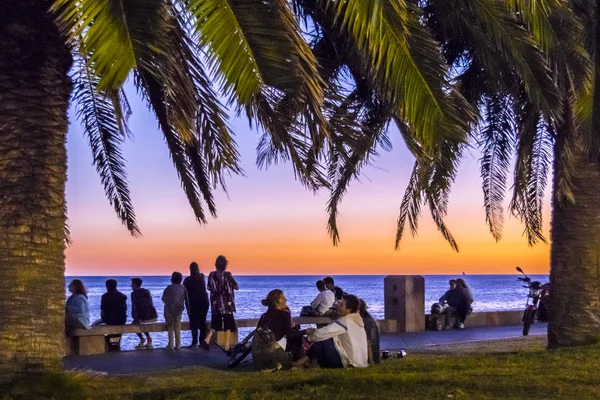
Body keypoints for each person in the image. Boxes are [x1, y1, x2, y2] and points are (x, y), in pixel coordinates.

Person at [304, 294, 368, 368]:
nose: (338, 306)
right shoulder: (357, 321)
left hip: (351, 364)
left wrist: (308, 337)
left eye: (341, 305)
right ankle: (307, 362)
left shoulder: (345, 320)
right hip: (361, 362)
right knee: (324, 337)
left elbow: (324, 332)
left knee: (323, 339)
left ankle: (302, 362)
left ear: (348, 310)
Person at [253, 289, 306, 371]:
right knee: (297, 340)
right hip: (275, 350)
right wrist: (305, 332)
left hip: (261, 352)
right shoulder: (284, 314)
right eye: (283, 298)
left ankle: (275, 364)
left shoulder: (264, 316)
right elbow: (290, 333)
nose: (286, 300)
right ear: (276, 301)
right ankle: (291, 362)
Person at [204, 255, 239, 352]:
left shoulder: (212, 275)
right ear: (225, 265)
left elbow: (209, 287)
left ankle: (207, 339)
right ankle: (227, 344)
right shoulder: (228, 275)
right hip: (227, 303)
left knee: (215, 323)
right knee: (228, 323)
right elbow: (236, 287)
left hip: (215, 303)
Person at [183, 262, 210, 350]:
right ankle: (202, 341)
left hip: (193, 303)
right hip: (204, 302)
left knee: (193, 323)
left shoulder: (187, 280)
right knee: (202, 322)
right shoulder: (202, 277)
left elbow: (185, 292)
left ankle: (194, 343)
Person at [162, 271, 188, 350]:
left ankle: (171, 344)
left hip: (169, 310)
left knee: (170, 327)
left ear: (172, 279)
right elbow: (186, 298)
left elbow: (164, 298)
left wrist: (168, 302)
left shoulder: (169, 288)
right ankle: (178, 344)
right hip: (179, 309)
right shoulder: (183, 288)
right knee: (177, 326)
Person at [99, 279, 127, 351]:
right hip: (121, 320)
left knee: (98, 324)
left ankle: (110, 345)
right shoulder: (122, 296)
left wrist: (103, 319)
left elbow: (102, 311)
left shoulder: (105, 296)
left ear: (107, 286)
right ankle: (115, 345)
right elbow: (124, 309)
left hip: (109, 320)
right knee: (116, 334)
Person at [131, 277, 158, 349]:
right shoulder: (147, 291)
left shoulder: (134, 293)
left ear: (134, 285)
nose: (131, 286)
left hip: (144, 318)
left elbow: (135, 307)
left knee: (134, 324)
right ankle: (148, 339)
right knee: (142, 323)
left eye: (132, 284)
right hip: (153, 316)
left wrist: (134, 318)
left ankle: (143, 339)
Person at [359, 299, 380, 365]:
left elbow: (370, 343)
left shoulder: (366, 321)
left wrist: (371, 361)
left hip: (371, 358)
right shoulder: (366, 318)